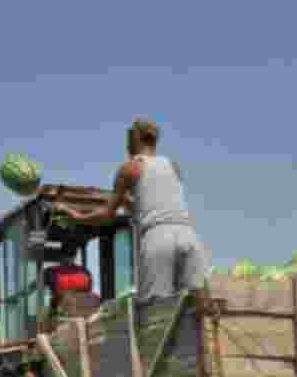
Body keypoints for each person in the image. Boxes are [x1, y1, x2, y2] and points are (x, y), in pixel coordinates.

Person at [54, 118, 209, 304]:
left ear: (134, 138)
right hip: (188, 236)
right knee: (197, 308)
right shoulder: (173, 165)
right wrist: (129, 202)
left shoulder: (129, 168)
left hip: (158, 239)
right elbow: (155, 204)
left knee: (155, 312)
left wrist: (77, 217)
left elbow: (106, 216)